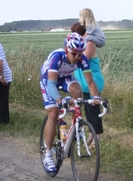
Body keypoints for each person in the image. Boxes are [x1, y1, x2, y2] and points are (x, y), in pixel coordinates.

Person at [40, 32, 101, 173]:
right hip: (49, 79)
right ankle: (48, 154)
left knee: (77, 92)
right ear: (67, 50)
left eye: (80, 54)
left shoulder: (82, 59)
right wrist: (60, 101)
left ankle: (75, 123)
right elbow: (51, 84)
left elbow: (90, 82)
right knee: (53, 113)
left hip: (66, 77)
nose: (77, 57)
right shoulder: (57, 57)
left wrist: (96, 97)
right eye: (74, 54)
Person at [75, 9, 105, 147]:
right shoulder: (84, 41)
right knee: (87, 111)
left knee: (93, 110)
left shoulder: (90, 43)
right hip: (84, 81)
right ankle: (90, 135)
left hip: (92, 80)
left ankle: (97, 137)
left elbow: (84, 58)